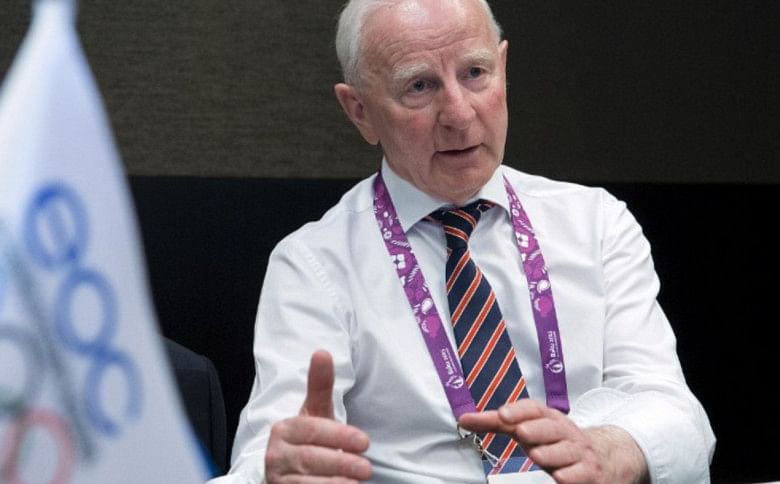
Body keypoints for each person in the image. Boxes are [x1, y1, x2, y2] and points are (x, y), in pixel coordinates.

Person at [212, 0, 715, 482]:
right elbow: (268, 454)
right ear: (360, 111)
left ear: (503, 68)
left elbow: (674, 412)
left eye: (475, 73)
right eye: (419, 86)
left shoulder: (596, 223)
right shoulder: (314, 265)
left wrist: (611, 450)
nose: (458, 113)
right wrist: (282, 475)